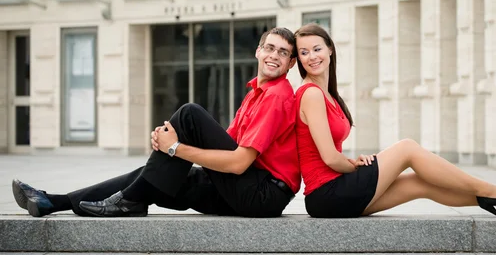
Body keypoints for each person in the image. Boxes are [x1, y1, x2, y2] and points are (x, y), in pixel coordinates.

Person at [12, 27, 300, 218]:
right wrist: (168, 151)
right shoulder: (255, 95)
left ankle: (129, 201)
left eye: (283, 53)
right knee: (161, 175)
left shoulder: (277, 96)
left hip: (263, 195)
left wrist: (174, 148)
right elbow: (227, 147)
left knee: (189, 114)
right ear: (258, 51)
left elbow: (238, 163)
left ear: (289, 65)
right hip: (248, 188)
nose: (274, 56)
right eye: (270, 48)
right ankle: (55, 202)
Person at [293, 23, 496, 218]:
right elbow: (329, 158)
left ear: (330, 49)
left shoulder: (327, 94)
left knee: (420, 183)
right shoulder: (311, 94)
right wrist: (355, 165)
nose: (312, 57)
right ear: (299, 60)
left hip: (332, 195)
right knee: (407, 148)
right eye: (304, 52)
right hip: (327, 194)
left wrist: (354, 163)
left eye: (317, 49)